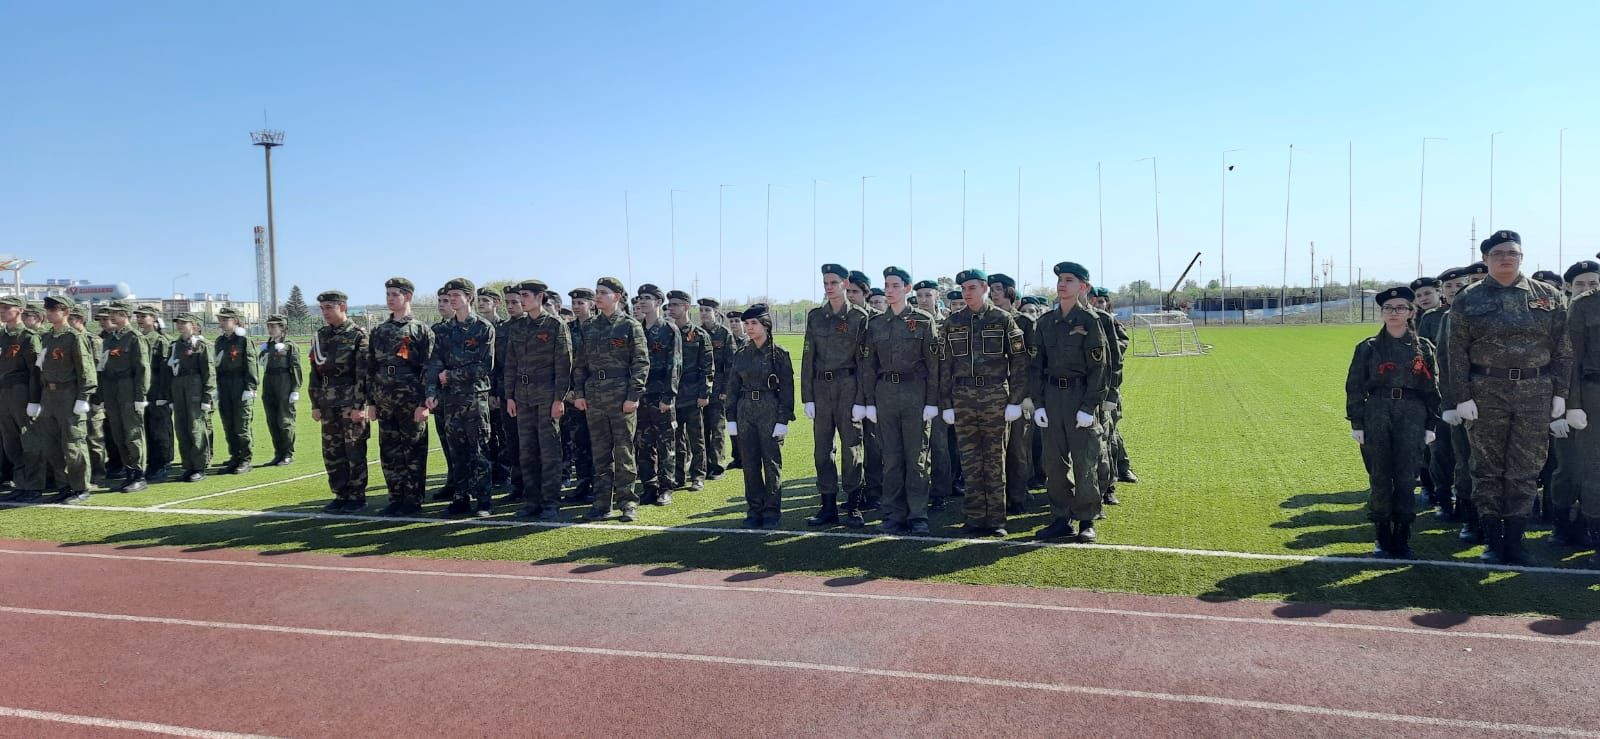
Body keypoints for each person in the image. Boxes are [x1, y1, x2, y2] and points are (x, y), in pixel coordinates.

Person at [1444, 230, 1571, 565]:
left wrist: (1560, 393)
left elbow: (1563, 350)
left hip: (1536, 391)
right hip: (1486, 391)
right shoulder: (1468, 298)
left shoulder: (1549, 296)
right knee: (1487, 467)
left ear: (1522, 258)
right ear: (1486, 259)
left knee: (1526, 468)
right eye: (1499, 253)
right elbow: (1454, 353)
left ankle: (1515, 540)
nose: (1506, 258)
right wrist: (1461, 397)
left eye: (1512, 253)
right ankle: (1492, 540)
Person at [1345, 286, 1440, 558]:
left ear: (1411, 312)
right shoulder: (1368, 348)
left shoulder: (1424, 348)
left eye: (1400, 308)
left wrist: (1431, 425)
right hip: (1377, 411)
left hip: (1412, 413)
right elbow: (1354, 386)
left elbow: (1432, 388)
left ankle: (1402, 536)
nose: (1394, 313)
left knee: (1407, 476)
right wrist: (1357, 422)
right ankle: (1382, 536)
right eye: (1388, 308)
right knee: (1380, 476)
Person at [940, 268, 1028, 537]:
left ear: (984, 289)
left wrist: (1015, 401)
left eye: (972, 288)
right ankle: (975, 517)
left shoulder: (1002, 319)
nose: (967, 293)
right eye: (964, 289)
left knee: (994, 460)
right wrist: (946, 403)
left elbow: (1020, 361)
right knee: (969, 461)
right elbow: (944, 364)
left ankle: (996, 520)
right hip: (963, 396)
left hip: (994, 396)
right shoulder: (952, 322)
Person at [1030, 262, 1111, 542]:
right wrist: (1038, 403)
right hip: (1052, 397)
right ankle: (1060, 517)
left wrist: (1089, 407)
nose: (1062, 285)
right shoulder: (1046, 322)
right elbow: (1035, 366)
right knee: (1053, 463)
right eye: (1060, 280)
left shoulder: (1090, 322)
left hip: (1079, 397)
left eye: (1069, 280)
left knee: (1084, 462)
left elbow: (1100, 369)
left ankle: (1086, 519)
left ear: (1083, 287)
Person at [860, 266, 941, 535]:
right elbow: (869, 365)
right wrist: (870, 401)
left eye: (895, 285)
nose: (890, 290)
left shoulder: (923, 320)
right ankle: (894, 513)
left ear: (908, 289)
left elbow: (933, 365)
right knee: (891, 458)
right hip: (885, 394)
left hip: (915, 393)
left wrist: (932, 401)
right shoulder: (875, 324)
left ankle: (918, 513)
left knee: (917, 457)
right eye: (887, 285)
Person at [801, 264, 872, 527]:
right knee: (822, 450)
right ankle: (827, 507)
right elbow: (808, 357)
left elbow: (864, 361)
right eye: (825, 283)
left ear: (844, 283)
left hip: (848, 386)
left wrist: (862, 399)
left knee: (852, 448)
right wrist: (807, 396)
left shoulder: (859, 317)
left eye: (833, 282)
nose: (829, 287)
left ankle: (853, 506)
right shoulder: (816, 316)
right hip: (821, 388)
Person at [572, 277, 648, 522]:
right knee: (600, 453)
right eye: (597, 292)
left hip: (620, 395)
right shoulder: (590, 326)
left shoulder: (629, 325)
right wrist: (580, 394)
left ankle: (627, 503)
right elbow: (580, 363)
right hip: (595, 395)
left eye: (604, 292)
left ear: (617, 296)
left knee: (624, 450)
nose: (598, 296)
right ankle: (602, 503)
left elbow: (640, 363)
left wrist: (633, 396)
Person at [426, 278, 497, 517]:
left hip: (475, 398)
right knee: (456, 451)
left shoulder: (483, 328)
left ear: (470, 298)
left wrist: (452, 375)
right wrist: (432, 392)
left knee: (479, 449)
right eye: (450, 296)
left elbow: (484, 366)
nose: (452, 300)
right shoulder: (443, 330)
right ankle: (460, 497)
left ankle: (484, 501)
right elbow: (435, 364)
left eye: (457, 295)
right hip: (450, 400)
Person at [504, 279, 572, 520]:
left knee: (549, 451)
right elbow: (510, 364)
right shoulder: (518, 327)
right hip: (523, 398)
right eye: (520, 295)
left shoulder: (555, 325)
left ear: (540, 297)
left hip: (547, 396)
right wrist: (509, 396)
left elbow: (564, 365)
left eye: (525, 295)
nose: (521, 300)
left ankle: (551, 502)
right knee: (527, 452)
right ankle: (531, 500)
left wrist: (559, 398)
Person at [368, 278, 435, 516]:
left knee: (414, 450)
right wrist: (372, 402)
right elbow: (371, 367)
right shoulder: (378, 330)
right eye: (387, 294)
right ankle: (395, 498)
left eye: (394, 294)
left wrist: (423, 402)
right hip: (385, 400)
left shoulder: (419, 329)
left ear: (408, 297)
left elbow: (428, 368)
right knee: (389, 451)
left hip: (411, 400)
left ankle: (413, 499)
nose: (389, 298)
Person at [726, 304, 794, 528]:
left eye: (754, 323)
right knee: (750, 464)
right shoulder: (742, 353)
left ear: (766, 325)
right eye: (746, 324)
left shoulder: (779, 354)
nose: (749, 328)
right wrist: (731, 418)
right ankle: (754, 509)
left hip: (769, 410)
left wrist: (783, 420)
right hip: (745, 410)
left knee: (771, 462)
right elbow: (733, 386)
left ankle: (772, 510)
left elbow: (787, 389)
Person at [21, 295, 96, 503]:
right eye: (48, 309)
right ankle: (64, 486)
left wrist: (83, 396)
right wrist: (35, 400)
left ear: (66, 312)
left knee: (73, 444)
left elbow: (86, 370)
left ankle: (80, 488)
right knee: (52, 446)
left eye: (54, 309)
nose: (49, 312)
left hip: (69, 394)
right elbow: (38, 370)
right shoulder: (46, 337)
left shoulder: (74, 337)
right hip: (48, 395)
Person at [310, 291, 372, 512]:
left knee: (353, 450)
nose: (325, 312)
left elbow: (363, 374)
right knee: (332, 451)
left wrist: (359, 406)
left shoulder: (357, 335)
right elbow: (315, 372)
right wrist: (315, 403)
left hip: (349, 401)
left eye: (329, 307)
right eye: (323, 308)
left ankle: (357, 496)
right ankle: (340, 494)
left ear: (343, 307)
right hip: (327, 402)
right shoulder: (321, 336)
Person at [1557, 260, 1600, 549]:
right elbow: (1570, 358)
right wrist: (1571, 405)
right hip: (1593, 392)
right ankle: (1593, 536)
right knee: (1593, 468)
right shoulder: (1584, 305)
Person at [988, 274, 1037, 514]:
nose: (994, 293)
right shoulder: (986, 320)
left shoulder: (1024, 322)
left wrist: (1026, 396)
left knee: (1018, 448)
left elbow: (1032, 361)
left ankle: (1018, 496)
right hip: (991, 393)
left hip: (1017, 394)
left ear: (1009, 291)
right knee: (994, 450)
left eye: (998, 289)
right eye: (991, 289)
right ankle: (997, 497)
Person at [634, 284, 681, 506]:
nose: (642, 302)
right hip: (640, 396)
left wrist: (668, 397)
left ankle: (666, 487)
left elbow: (675, 365)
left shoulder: (669, 329)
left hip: (660, 396)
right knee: (643, 444)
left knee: (665, 444)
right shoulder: (636, 328)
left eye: (647, 298)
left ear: (658, 302)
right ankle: (649, 487)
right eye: (640, 298)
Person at [97, 301, 150, 492]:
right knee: (118, 433)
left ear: (124, 314)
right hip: (112, 388)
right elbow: (102, 368)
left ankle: (138, 474)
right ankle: (128, 472)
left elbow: (143, 368)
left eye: (114, 313)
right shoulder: (110, 339)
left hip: (128, 387)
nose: (110, 317)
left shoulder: (134, 338)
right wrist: (102, 394)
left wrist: (140, 396)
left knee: (132, 433)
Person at [1410, 276, 1450, 514]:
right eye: (1419, 296)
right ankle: (1428, 485)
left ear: (1438, 293)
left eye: (1428, 293)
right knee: (1429, 442)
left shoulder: (1447, 316)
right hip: (1427, 387)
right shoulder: (1413, 320)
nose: (1424, 299)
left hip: (1449, 386)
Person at [914, 280, 954, 509]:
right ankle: (920, 488)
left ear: (936, 296)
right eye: (919, 295)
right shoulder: (912, 322)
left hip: (940, 392)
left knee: (939, 443)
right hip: (917, 391)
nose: (923, 299)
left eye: (927, 295)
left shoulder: (947, 324)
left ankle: (940, 492)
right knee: (919, 444)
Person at [668, 290, 713, 492]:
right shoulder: (666, 332)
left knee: (697, 438)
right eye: (670, 305)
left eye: (675, 304)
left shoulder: (699, 335)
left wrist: (705, 393)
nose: (671, 308)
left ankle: (697, 475)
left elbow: (707, 367)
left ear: (686, 307)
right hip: (672, 395)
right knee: (675, 439)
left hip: (693, 394)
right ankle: (678, 476)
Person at [847, 270, 884, 510]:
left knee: (873, 443)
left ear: (866, 293)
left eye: (855, 292)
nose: (850, 296)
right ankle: (854, 494)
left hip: (873, 391)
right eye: (847, 291)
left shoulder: (878, 320)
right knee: (852, 444)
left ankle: (875, 492)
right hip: (847, 389)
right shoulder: (842, 319)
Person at [0, 297, 39, 501]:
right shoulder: (2, 336)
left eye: (7, 308)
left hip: (21, 390)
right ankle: (21, 482)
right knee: (10, 441)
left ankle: (34, 485)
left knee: (28, 439)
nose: (2, 311)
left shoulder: (27, 337)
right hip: (4, 391)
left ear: (19, 311)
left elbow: (35, 371)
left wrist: (34, 400)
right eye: (1, 308)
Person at [561, 287, 596, 503]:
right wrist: (567, 392)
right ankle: (582, 486)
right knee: (579, 444)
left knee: (599, 445)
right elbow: (562, 362)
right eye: (573, 303)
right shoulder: (566, 329)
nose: (575, 306)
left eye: (581, 302)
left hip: (597, 394)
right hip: (573, 396)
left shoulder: (600, 328)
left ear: (592, 304)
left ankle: (600, 487)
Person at [213, 307, 258, 474]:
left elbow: (251, 364)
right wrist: (216, 387)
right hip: (225, 385)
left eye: (226, 320)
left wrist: (250, 387)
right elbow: (217, 366)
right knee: (228, 424)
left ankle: (245, 459)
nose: (222, 323)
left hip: (240, 384)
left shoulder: (244, 340)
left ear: (235, 321)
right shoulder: (220, 341)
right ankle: (234, 457)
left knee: (241, 425)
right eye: (221, 320)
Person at [134, 306, 175, 483]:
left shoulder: (160, 341)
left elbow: (166, 371)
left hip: (157, 391)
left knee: (160, 430)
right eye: (139, 317)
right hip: (143, 392)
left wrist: (164, 394)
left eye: (144, 316)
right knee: (147, 430)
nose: (140, 320)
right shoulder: (138, 339)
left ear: (154, 319)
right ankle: (151, 463)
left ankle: (161, 465)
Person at [494, 287, 525, 502]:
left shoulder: (531, 327)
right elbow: (496, 364)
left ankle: (536, 486)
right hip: (507, 394)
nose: (511, 306)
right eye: (508, 302)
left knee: (532, 443)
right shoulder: (503, 329)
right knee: (512, 442)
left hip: (530, 393)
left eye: (515, 301)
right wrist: (496, 392)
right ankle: (518, 486)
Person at [698, 297, 734, 481]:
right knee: (700, 429)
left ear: (716, 313)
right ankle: (702, 465)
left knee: (717, 428)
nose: (703, 313)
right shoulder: (696, 333)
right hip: (699, 389)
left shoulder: (725, 334)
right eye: (701, 310)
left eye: (707, 310)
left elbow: (731, 365)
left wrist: (726, 389)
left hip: (719, 387)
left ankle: (718, 465)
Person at [259, 314, 302, 467]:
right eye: (269, 326)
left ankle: (288, 453)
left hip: (284, 381)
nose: (270, 329)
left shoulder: (290, 345)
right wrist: (263, 352)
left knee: (285, 420)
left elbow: (295, 367)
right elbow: (261, 364)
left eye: (274, 326)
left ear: (282, 328)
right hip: (269, 381)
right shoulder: (268, 345)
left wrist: (295, 389)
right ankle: (278, 453)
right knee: (272, 420)